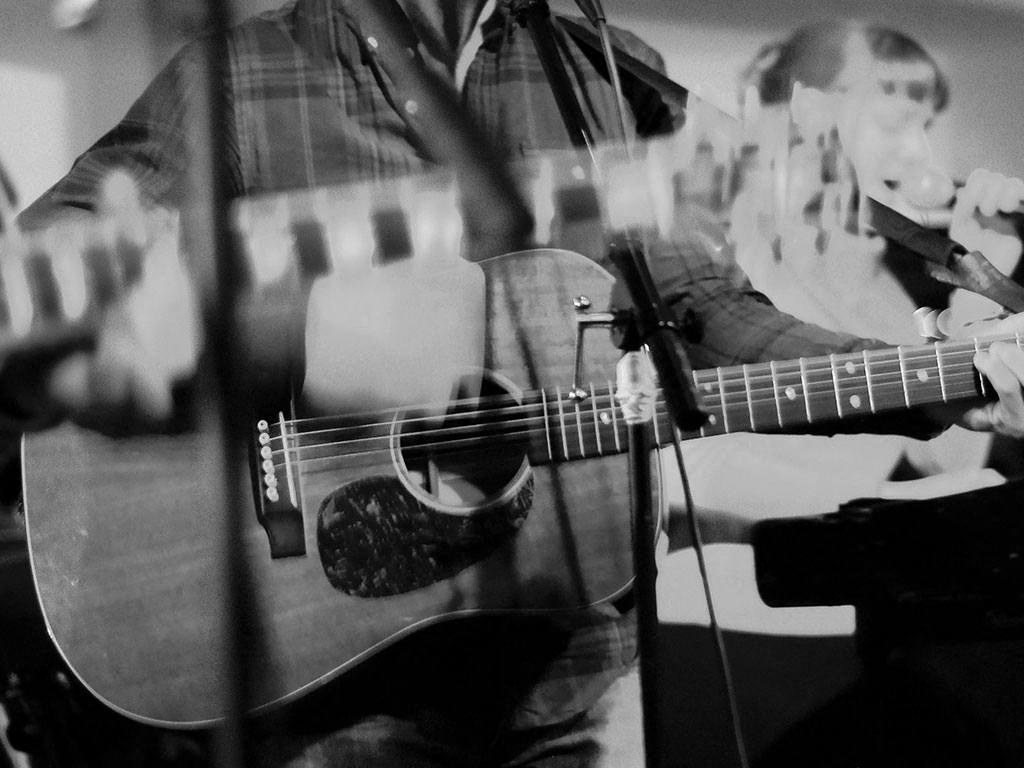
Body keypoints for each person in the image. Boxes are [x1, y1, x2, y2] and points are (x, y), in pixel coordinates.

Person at [4, 2, 1024, 767]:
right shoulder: (244, 71)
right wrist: (257, 330)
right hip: (332, 681)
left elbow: (707, 321)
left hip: (571, 665)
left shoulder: (594, 73)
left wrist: (937, 373)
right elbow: (60, 255)